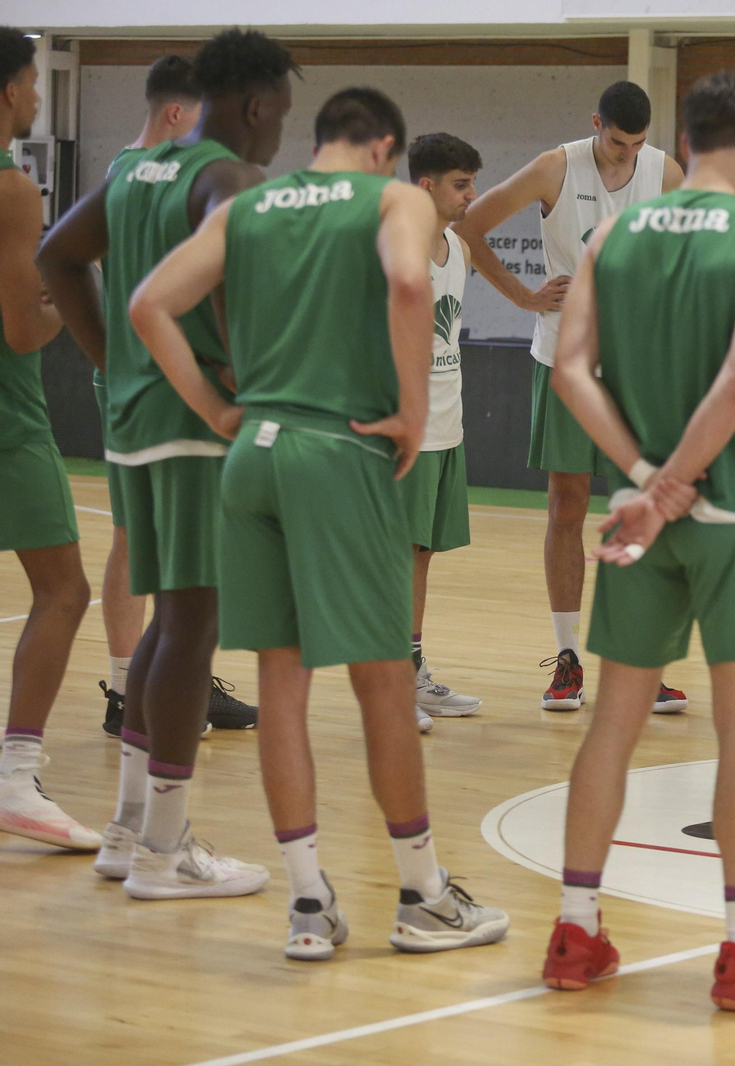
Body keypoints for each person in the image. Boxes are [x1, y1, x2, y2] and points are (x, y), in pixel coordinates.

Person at [131, 86, 510, 961]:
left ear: (319, 142)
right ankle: (423, 895)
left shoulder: (251, 204)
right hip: (338, 452)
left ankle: (308, 904)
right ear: (385, 148)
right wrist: (411, 408)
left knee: (283, 686)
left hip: (254, 454)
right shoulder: (392, 199)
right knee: (383, 683)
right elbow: (410, 282)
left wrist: (216, 409)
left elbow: (149, 304)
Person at [539, 70, 735, 1011]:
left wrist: (642, 480)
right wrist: (677, 489)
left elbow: (570, 371)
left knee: (611, 726)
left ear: (687, 138)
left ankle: (574, 932)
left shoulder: (613, 236)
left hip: (636, 511)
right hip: (732, 508)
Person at [39, 26, 297, 898]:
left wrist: (113, 358)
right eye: (279, 114)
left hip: (133, 420)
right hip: (195, 427)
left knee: (166, 625)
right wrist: (248, 374)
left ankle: (127, 830)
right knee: (193, 625)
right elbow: (238, 283)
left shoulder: (137, 171)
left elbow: (56, 256)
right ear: (255, 105)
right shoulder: (230, 178)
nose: (278, 133)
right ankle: (164, 849)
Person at [454, 81, 689, 715]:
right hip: (567, 358)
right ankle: (567, 658)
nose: (626, 153)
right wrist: (521, 295)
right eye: (617, 141)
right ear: (596, 124)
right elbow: (468, 227)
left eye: (637, 143)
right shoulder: (554, 167)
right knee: (567, 504)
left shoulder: (665, 172)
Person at [92, 53, 256, 740]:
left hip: (148, 372)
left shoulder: (128, 174)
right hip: (164, 378)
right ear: (176, 111)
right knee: (146, 544)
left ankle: (163, 679)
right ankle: (133, 686)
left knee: (164, 545)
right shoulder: (149, 176)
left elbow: (65, 259)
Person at [0, 27, 99, 852]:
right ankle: (15, 778)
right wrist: (72, 296)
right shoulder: (12, 189)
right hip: (7, 417)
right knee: (64, 590)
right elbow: (23, 332)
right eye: (33, 82)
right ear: (8, 91)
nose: (38, 95)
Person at [401, 132, 484, 726]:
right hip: (405, 426)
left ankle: (410, 670)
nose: (471, 195)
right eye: (460, 184)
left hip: (447, 420)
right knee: (396, 554)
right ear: (425, 185)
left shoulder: (459, 248)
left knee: (421, 552)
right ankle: (389, 683)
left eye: (472, 182)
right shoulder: (393, 248)